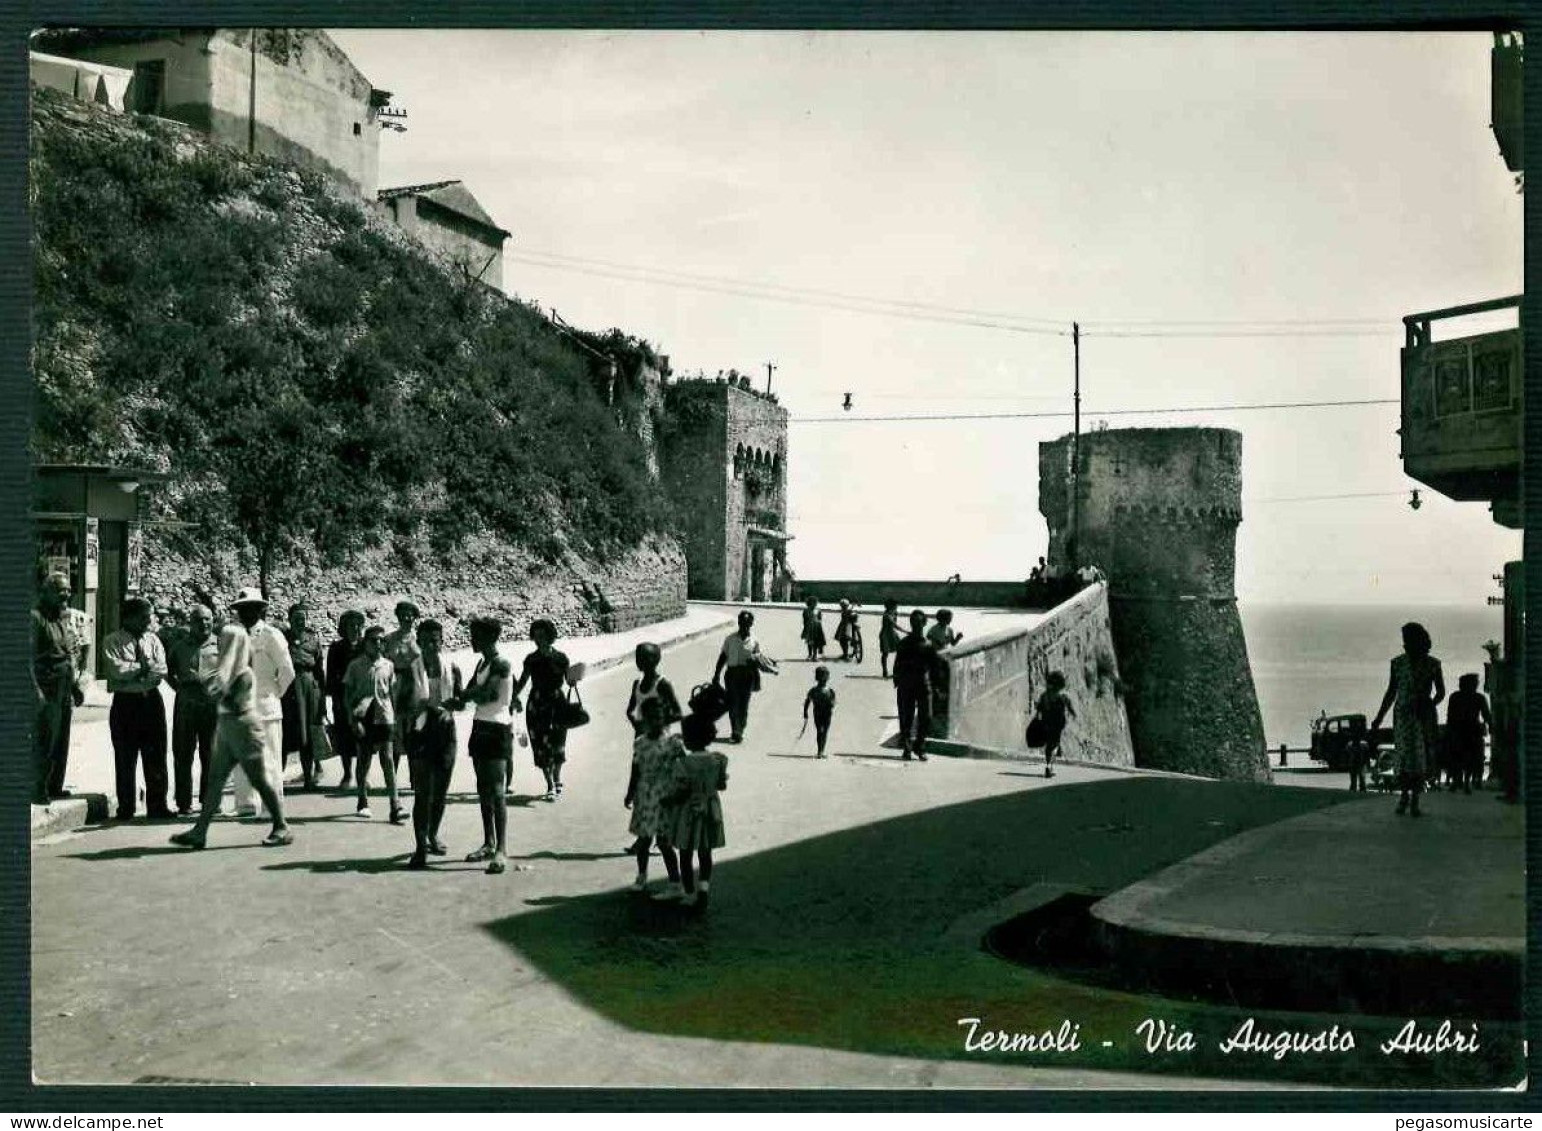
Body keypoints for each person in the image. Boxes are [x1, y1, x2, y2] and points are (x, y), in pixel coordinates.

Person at [170, 617, 294, 850]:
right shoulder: (229, 672)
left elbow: (232, 702)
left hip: (244, 728)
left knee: (258, 778)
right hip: (229, 728)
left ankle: (281, 825)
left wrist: (210, 689)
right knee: (216, 781)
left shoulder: (243, 674)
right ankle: (200, 831)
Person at [102, 596, 172, 820]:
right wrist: (142, 668)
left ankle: (157, 805)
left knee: (156, 755)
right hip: (126, 704)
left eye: (149, 617)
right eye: (143, 617)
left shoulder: (153, 640)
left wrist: (135, 672)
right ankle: (126, 807)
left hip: (151, 701)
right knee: (125, 756)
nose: (147, 622)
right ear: (128, 618)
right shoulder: (112, 641)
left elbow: (161, 670)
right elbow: (115, 670)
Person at [228, 588, 294, 819]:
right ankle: (245, 804)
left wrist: (274, 693)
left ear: (261, 609)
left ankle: (271, 808)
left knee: (270, 760)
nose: (245, 613)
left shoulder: (271, 635)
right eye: (241, 609)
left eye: (251, 608)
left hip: (266, 707)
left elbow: (286, 671)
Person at [1370, 621, 1445, 818]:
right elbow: (1391, 692)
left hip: (1422, 717)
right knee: (1403, 757)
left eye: (1407, 640)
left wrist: (1428, 704)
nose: (1405, 645)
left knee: (1419, 759)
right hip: (1402, 717)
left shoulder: (1433, 664)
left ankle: (1415, 800)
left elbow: (1441, 692)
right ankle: (1404, 796)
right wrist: (1379, 718)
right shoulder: (1397, 664)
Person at [405, 619, 462, 869]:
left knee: (440, 791)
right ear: (419, 642)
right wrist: (420, 707)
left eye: (435, 641)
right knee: (422, 793)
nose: (430, 645)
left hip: (445, 730)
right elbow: (401, 705)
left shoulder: (452, 667)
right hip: (420, 731)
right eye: (425, 641)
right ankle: (420, 848)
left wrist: (453, 705)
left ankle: (433, 834)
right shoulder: (410, 670)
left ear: (442, 642)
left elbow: (460, 701)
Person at [461, 616, 514, 874]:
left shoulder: (502, 663)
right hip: (480, 725)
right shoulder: (483, 663)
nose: (472, 640)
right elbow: (469, 692)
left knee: (497, 790)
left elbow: (487, 695)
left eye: (476, 636)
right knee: (483, 789)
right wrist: (466, 696)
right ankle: (488, 842)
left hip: (496, 728)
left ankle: (501, 849)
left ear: (488, 638)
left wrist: (466, 696)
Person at [662, 712, 729, 909]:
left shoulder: (683, 763)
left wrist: (668, 801)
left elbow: (681, 791)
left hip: (687, 811)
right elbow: (721, 786)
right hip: (710, 809)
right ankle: (704, 888)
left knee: (685, 852)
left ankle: (690, 892)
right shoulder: (718, 760)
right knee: (705, 852)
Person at [32, 572, 85, 806]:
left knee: (62, 737)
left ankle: (55, 785)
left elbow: (67, 654)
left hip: (64, 683)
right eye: (60, 590)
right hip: (46, 684)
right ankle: (38, 787)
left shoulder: (62, 618)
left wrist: (75, 687)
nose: (66, 594)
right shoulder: (35, 618)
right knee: (46, 738)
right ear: (47, 592)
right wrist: (36, 692)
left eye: (68, 590)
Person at [624, 696, 685, 897]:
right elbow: (636, 769)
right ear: (645, 720)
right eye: (651, 717)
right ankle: (642, 876)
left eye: (659, 717)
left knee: (664, 842)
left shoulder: (672, 742)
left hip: (664, 796)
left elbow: (684, 767)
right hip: (645, 796)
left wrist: (679, 789)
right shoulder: (640, 743)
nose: (656, 721)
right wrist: (630, 793)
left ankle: (675, 883)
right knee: (643, 840)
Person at [345, 625, 405, 824]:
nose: (378, 644)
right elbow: (348, 695)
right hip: (364, 717)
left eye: (381, 640)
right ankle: (362, 800)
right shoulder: (355, 666)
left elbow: (392, 692)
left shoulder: (388, 665)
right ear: (365, 643)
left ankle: (395, 804)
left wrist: (394, 717)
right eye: (373, 640)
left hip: (384, 716)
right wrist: (353, 720)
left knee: (388, 759)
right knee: (364, 759)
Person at [166, 604, 219, 816]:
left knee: (212, 754)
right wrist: (180, 687)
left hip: (212, 702)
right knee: (183, 752)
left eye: (207, 619)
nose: (203, 624)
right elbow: (168, 672)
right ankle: (184, 802)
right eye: (199, 620)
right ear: (191, 623)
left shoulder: (220, 645)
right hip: (187, 701)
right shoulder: (179, 647)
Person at [511, 618, 572, 802]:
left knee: (558, 744)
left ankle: (558, 778)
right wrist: (513, 696)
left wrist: (575, 678)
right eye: (535, 636)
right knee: (541, 747)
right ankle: (550, 785)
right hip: (537, 707)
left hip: (558, 704)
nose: (538, 640)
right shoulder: (531, 660)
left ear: (550, 636)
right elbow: (522, 682)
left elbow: (569, 680)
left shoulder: (561, 658)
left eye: (542, 636)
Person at [281, 601, 327, 790]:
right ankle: (277, 780)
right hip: (288, 688)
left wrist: (322, 698)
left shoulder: (313, 640)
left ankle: (308, 778)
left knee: (308, 734)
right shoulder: (282, 639)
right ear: (289, 620)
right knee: (284, 735)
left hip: (309, 689)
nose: (300, 622)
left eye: (303, 618)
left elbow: (319, 670)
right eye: (296, 618)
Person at [712, 610, 768, 744]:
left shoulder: (754, 641)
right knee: (732, 704)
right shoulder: (730, 639)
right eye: (742, 623)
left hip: (747, 676)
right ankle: (735, 731)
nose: (744, 626)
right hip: (731, 675)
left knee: (743, 704)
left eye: (747, 623)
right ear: (738, 623)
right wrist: (716, 674)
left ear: (751, 624)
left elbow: (759, 659)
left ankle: (740, 730)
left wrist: (756, 661)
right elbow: (723, 656)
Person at [325, 610, 365, 790]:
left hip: (362, 697)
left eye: (358, 625)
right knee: (344, 735)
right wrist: (336, 697)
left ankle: (362, 775)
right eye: (351, 626)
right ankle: (347, 774)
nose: (355, 629)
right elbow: (331, 675)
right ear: (344, 628)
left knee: (363, 738)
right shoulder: (336, 648)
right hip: (342, 698)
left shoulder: (366, 646)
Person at [382, 601, 422, 773]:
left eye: (410, 614)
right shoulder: (389, 639)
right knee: (394, 728)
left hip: (414, 684)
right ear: (397, 616)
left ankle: (415, 776)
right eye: (403, 614)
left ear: (415, 617)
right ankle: (392, 775)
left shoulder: (419, 638)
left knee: (414, 728)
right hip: (395, 684)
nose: (406, 618)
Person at [891, 610, 934, 762]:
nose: (916, 625)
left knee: (926, 717)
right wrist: (897, 680)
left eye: (919, 622)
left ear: (924, 623)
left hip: (924, 683)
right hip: (906, 683)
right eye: (913, 622)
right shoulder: (904, 643)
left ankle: (919, 745)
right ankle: (907, 748)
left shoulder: (928, 644)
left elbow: (933, 666)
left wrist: (936, 686)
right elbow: (897, 663)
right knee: (906, 718)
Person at [1445, 673, 1492, 795]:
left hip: (1460, 730)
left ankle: (1458, 781)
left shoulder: (1455, 697)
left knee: (1458, 757)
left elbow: (1450, 716)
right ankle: (1466, 782)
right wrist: (1490, 726)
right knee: (1471, 757)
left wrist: (1449, 731)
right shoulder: (1479, 698)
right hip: (1471, 730)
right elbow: (1486, 715)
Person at [625, 642, 682, 735]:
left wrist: (658, 723)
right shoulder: (637, 684)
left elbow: (678, 713)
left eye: (643, 659)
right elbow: (630, 711)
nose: (639, 662)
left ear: (654, 660)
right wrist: (637, 725)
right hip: (643, 735)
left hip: (662, 736)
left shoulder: (662, 684)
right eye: (638, 658)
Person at [1034, 670, 1076, 778]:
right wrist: (1073, 714)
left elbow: (1038, 709)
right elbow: (1071, 709)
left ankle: (1048, 766)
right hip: (1058, 724)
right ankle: (1050, 766)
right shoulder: (1064, 696)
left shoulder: (1044, 695)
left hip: (1046, 722)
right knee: (1055, 745)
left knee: (1048, 745)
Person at [803, 665, 836, 759]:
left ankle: (820, 751)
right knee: (823, 731)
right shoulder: (829, 691)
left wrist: (805, 712)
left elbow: (807, 702)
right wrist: (805, 712)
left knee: (821, 731)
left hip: (820, 713)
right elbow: (833, 703)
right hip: (824, 713)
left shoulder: (814, 690)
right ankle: (820, 751)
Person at [1345, 716, 1372, 794]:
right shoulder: (1363, 745)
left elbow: (1348, 755)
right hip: (1358, 762)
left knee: (1357, 778)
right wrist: (1368, 763)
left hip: (1357, 762)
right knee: (1360, 778)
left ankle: (1357, 790)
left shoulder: (1350, 745)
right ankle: (1360, 790)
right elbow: (1367, 755)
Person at [878, 599, 902, 680]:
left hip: (892, 634)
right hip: (885, 635)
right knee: (885, 654)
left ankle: (897, 671)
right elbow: (894, 625)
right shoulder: (886, 615)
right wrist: (906, 631)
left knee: (900, 651)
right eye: (895, 606)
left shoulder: (894, 613)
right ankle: (885, 671)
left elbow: (894, 625)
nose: (897, 607)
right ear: (890, 607)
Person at [800, 596, 826, 662]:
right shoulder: (806, 610)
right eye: (813, 603)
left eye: (816, 603)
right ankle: (809, 655)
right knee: (809, 642)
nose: (815, 604)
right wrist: (806, 628)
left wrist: (817, 623)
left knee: (816, 642)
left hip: (817, 628)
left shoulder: (818, 610)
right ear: (809, 603)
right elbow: (805, 619)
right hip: (809, 627)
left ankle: (815, 656)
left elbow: (820, 618)